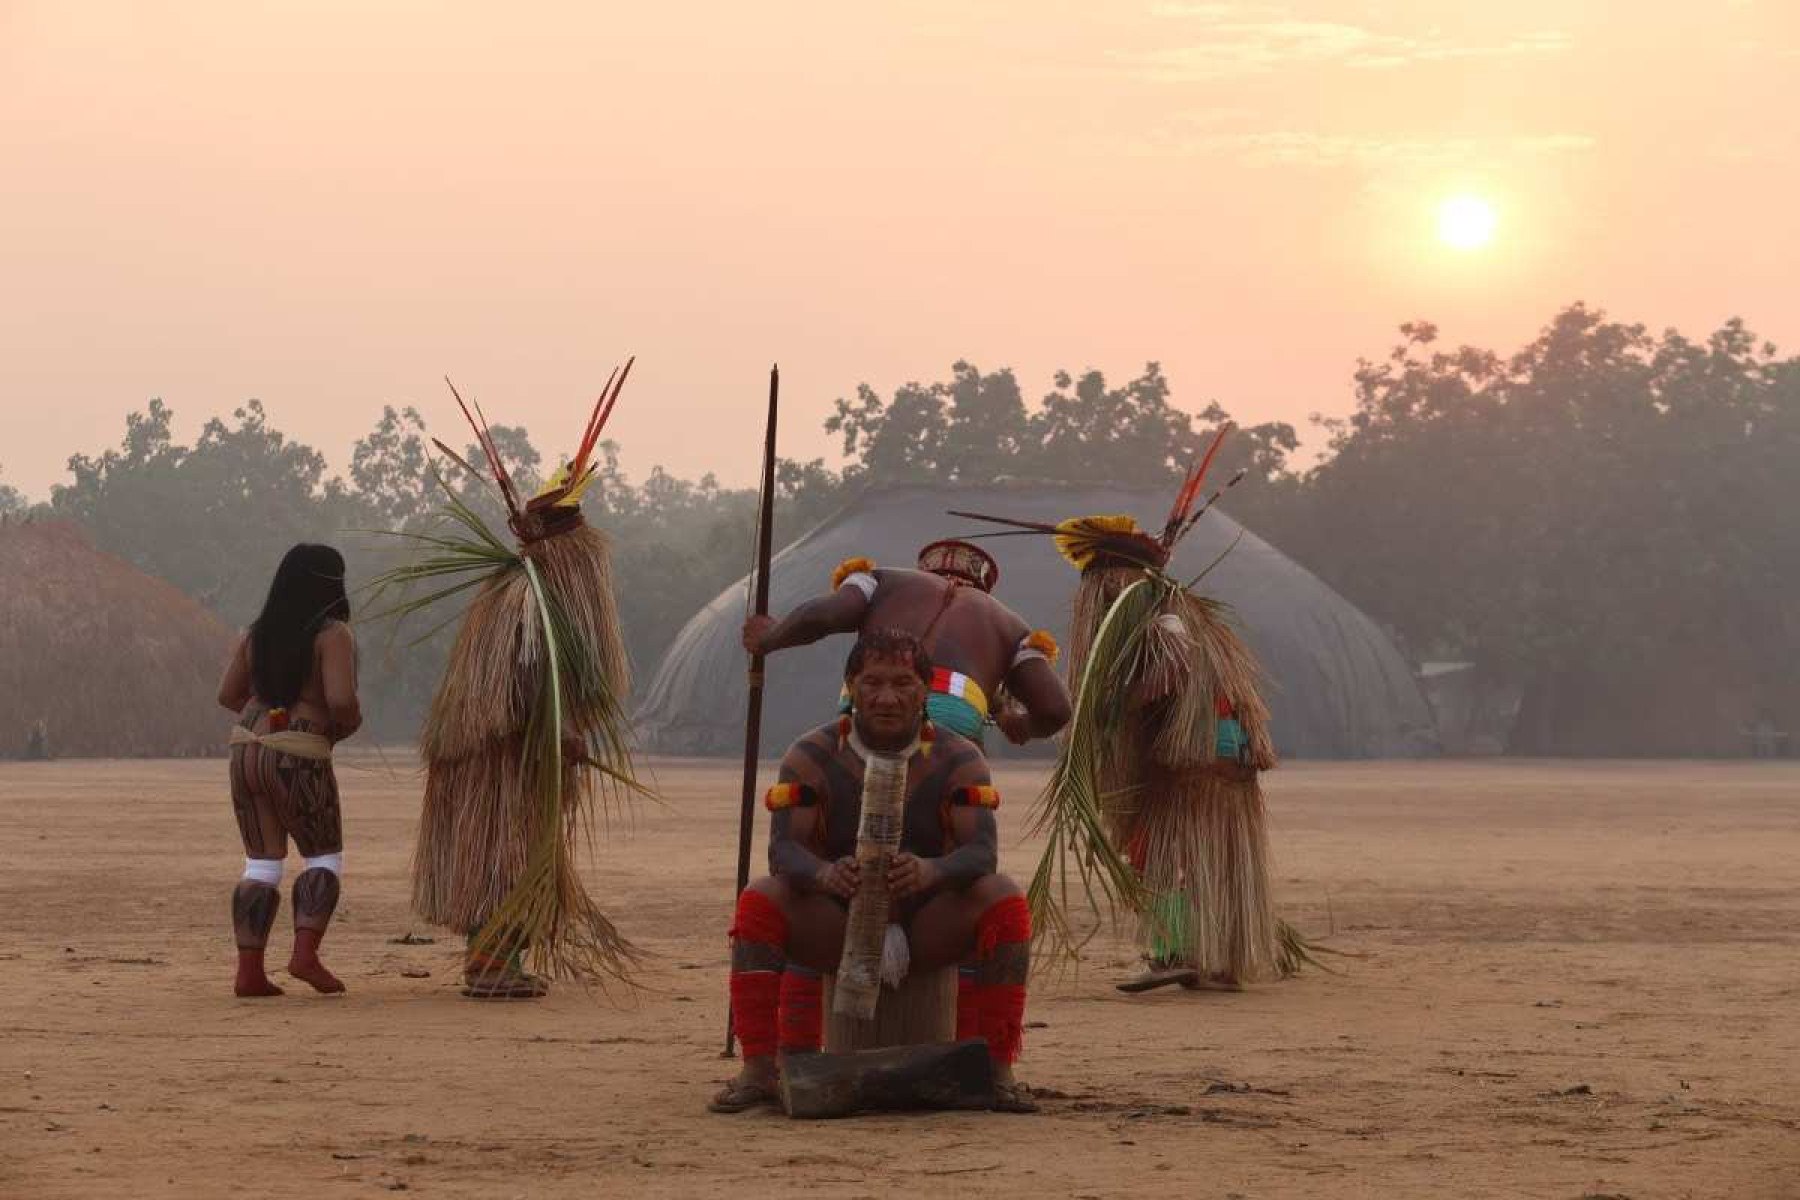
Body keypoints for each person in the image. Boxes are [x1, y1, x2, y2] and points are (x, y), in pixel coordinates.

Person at [956, 431, 1309, 993]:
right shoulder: (1163, 613)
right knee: (1200, 858)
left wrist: (1112, 709)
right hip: (1218, 755)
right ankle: (1214, 959)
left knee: (1165, 856)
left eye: (1100, 579)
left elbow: (1168, 670)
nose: (1093, 591)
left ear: (1117, 579)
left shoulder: (1161, 612)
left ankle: (1179, 951)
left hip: (1198, 760)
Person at [381, 372, 642, 999]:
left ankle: (497, 959)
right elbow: (509, 695)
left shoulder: (526, 596)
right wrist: (555, 735)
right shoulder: (526, 603)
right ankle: (492, 964)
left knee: (514, 854)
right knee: (504, 858)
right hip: (502, 760)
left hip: (509, 759)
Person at [711, 629, 1037, 1114]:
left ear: (926, 689)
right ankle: (758, 1069)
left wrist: (931, 872)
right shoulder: (811, 755)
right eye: (872, 683)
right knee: (760, 899)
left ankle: (997, 1070)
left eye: (903, 683)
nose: (886, 698)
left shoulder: (959, 758)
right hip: (836, 924)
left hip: (929, 924)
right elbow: (784, 851)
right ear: (850, 685)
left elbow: (981, 853)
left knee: (1003, 897)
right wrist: (824, 875)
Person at [741, 539, 1070, 747]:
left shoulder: (881, 580)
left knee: (824, 789)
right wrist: (1020, 725)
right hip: (955, 710)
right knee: (964, 804)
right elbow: (1055, 710)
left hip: (872, 701)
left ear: (926, 571)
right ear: (982, 587)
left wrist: (769, 637)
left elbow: (825, 616)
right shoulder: (1008, 624)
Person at [216, 543, 362, 998]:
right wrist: (344, 726)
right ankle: (304, 955)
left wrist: (265, 718)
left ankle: (250, 972)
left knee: (261, 861)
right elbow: (339, 701)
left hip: (245, 748)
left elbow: (228, 695)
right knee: (322, 856)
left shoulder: (256, 634)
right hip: (298, 752)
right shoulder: (332, 634)